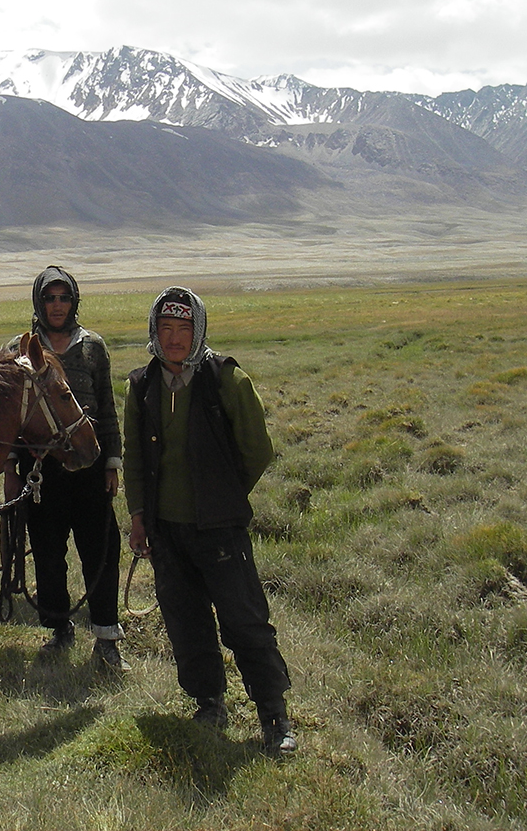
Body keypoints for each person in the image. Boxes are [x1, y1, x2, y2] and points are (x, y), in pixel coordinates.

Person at [123, 286, 296, 754]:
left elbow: (257, 451)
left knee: (244, 619)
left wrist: (223, 493)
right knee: (186, 620)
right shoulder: (141, 386)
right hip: (165, 531)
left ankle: (273, 713)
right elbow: (134, 458)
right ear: (154, 332)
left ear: (198, 330)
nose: (175, 339)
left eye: (184, 329)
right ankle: (208, 702)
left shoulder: (227, 380)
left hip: (220, 528)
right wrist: (139, 517)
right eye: (166, 328)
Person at [4, 267, 127, 671]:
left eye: (64, 297)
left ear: (74, 301)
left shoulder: (93, 347)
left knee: (101, 552)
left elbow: (106, 406)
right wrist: (10, 467)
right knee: (48, 554)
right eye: (50, 298)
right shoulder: (18, 350)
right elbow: (6, 417)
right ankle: (59, 630)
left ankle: (107, 637)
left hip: (89, 465)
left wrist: (111, 461)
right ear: (38, 302)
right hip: (39, 471)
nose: (57, 305)